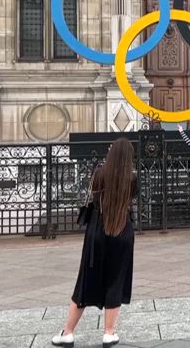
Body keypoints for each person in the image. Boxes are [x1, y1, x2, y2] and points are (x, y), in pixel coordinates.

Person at [52, 138, 137, 348]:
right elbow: (131, 200)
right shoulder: (133, 178)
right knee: (116, 280)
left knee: (85, 281)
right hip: (122, 229)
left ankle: (67, 332)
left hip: (97, 230)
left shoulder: (99, 173)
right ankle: (109, 332)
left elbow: (93, 196)